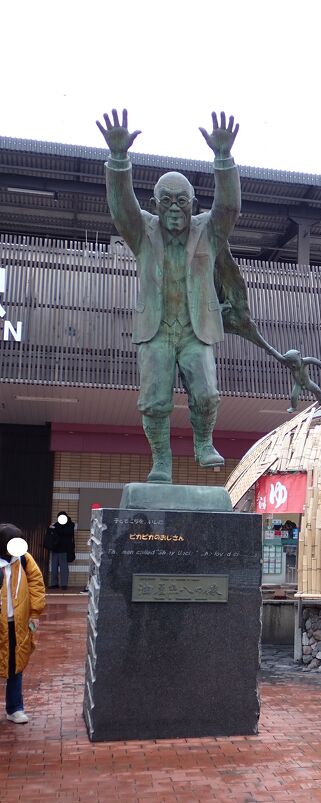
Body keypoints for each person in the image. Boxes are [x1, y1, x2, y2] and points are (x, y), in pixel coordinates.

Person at [96, 108, 242, 484]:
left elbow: (229, 207)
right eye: (166, 201)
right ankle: (161, 461)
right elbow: (120, 206)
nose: (174, 208)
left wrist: (223, 160)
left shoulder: (207, 230)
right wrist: (118, 158)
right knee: (155, 402)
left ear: (193, 203)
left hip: (196, 329)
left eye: (182, 201)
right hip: (157, 329)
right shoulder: (142, 232)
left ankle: (203, 442)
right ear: (155, 203)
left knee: (207, 394)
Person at [0, 523, 46, 724]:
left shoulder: (24, 559)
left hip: (16, 622)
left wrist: (35, 612)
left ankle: (15, 708)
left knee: (16, 665)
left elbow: (36, 583)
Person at [46, 511, 76, 590]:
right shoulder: (56, 525)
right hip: (56, 549)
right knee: (54, 568)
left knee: (63, 568)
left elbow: (67, 532)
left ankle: (64, 585)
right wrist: (51, 528)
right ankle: (54, 584)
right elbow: (51, 532)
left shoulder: (70, 525)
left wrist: (55, 529)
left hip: (65, 550)